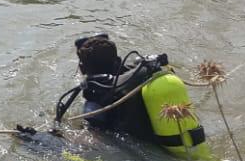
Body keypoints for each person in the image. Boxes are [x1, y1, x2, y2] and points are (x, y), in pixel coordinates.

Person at [54, 34, 206, 152]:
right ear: (118, 60)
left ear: (82, 68)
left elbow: (94, 139)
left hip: (147, 150)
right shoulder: (139, 74)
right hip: (183, 138)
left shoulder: (95, 97)